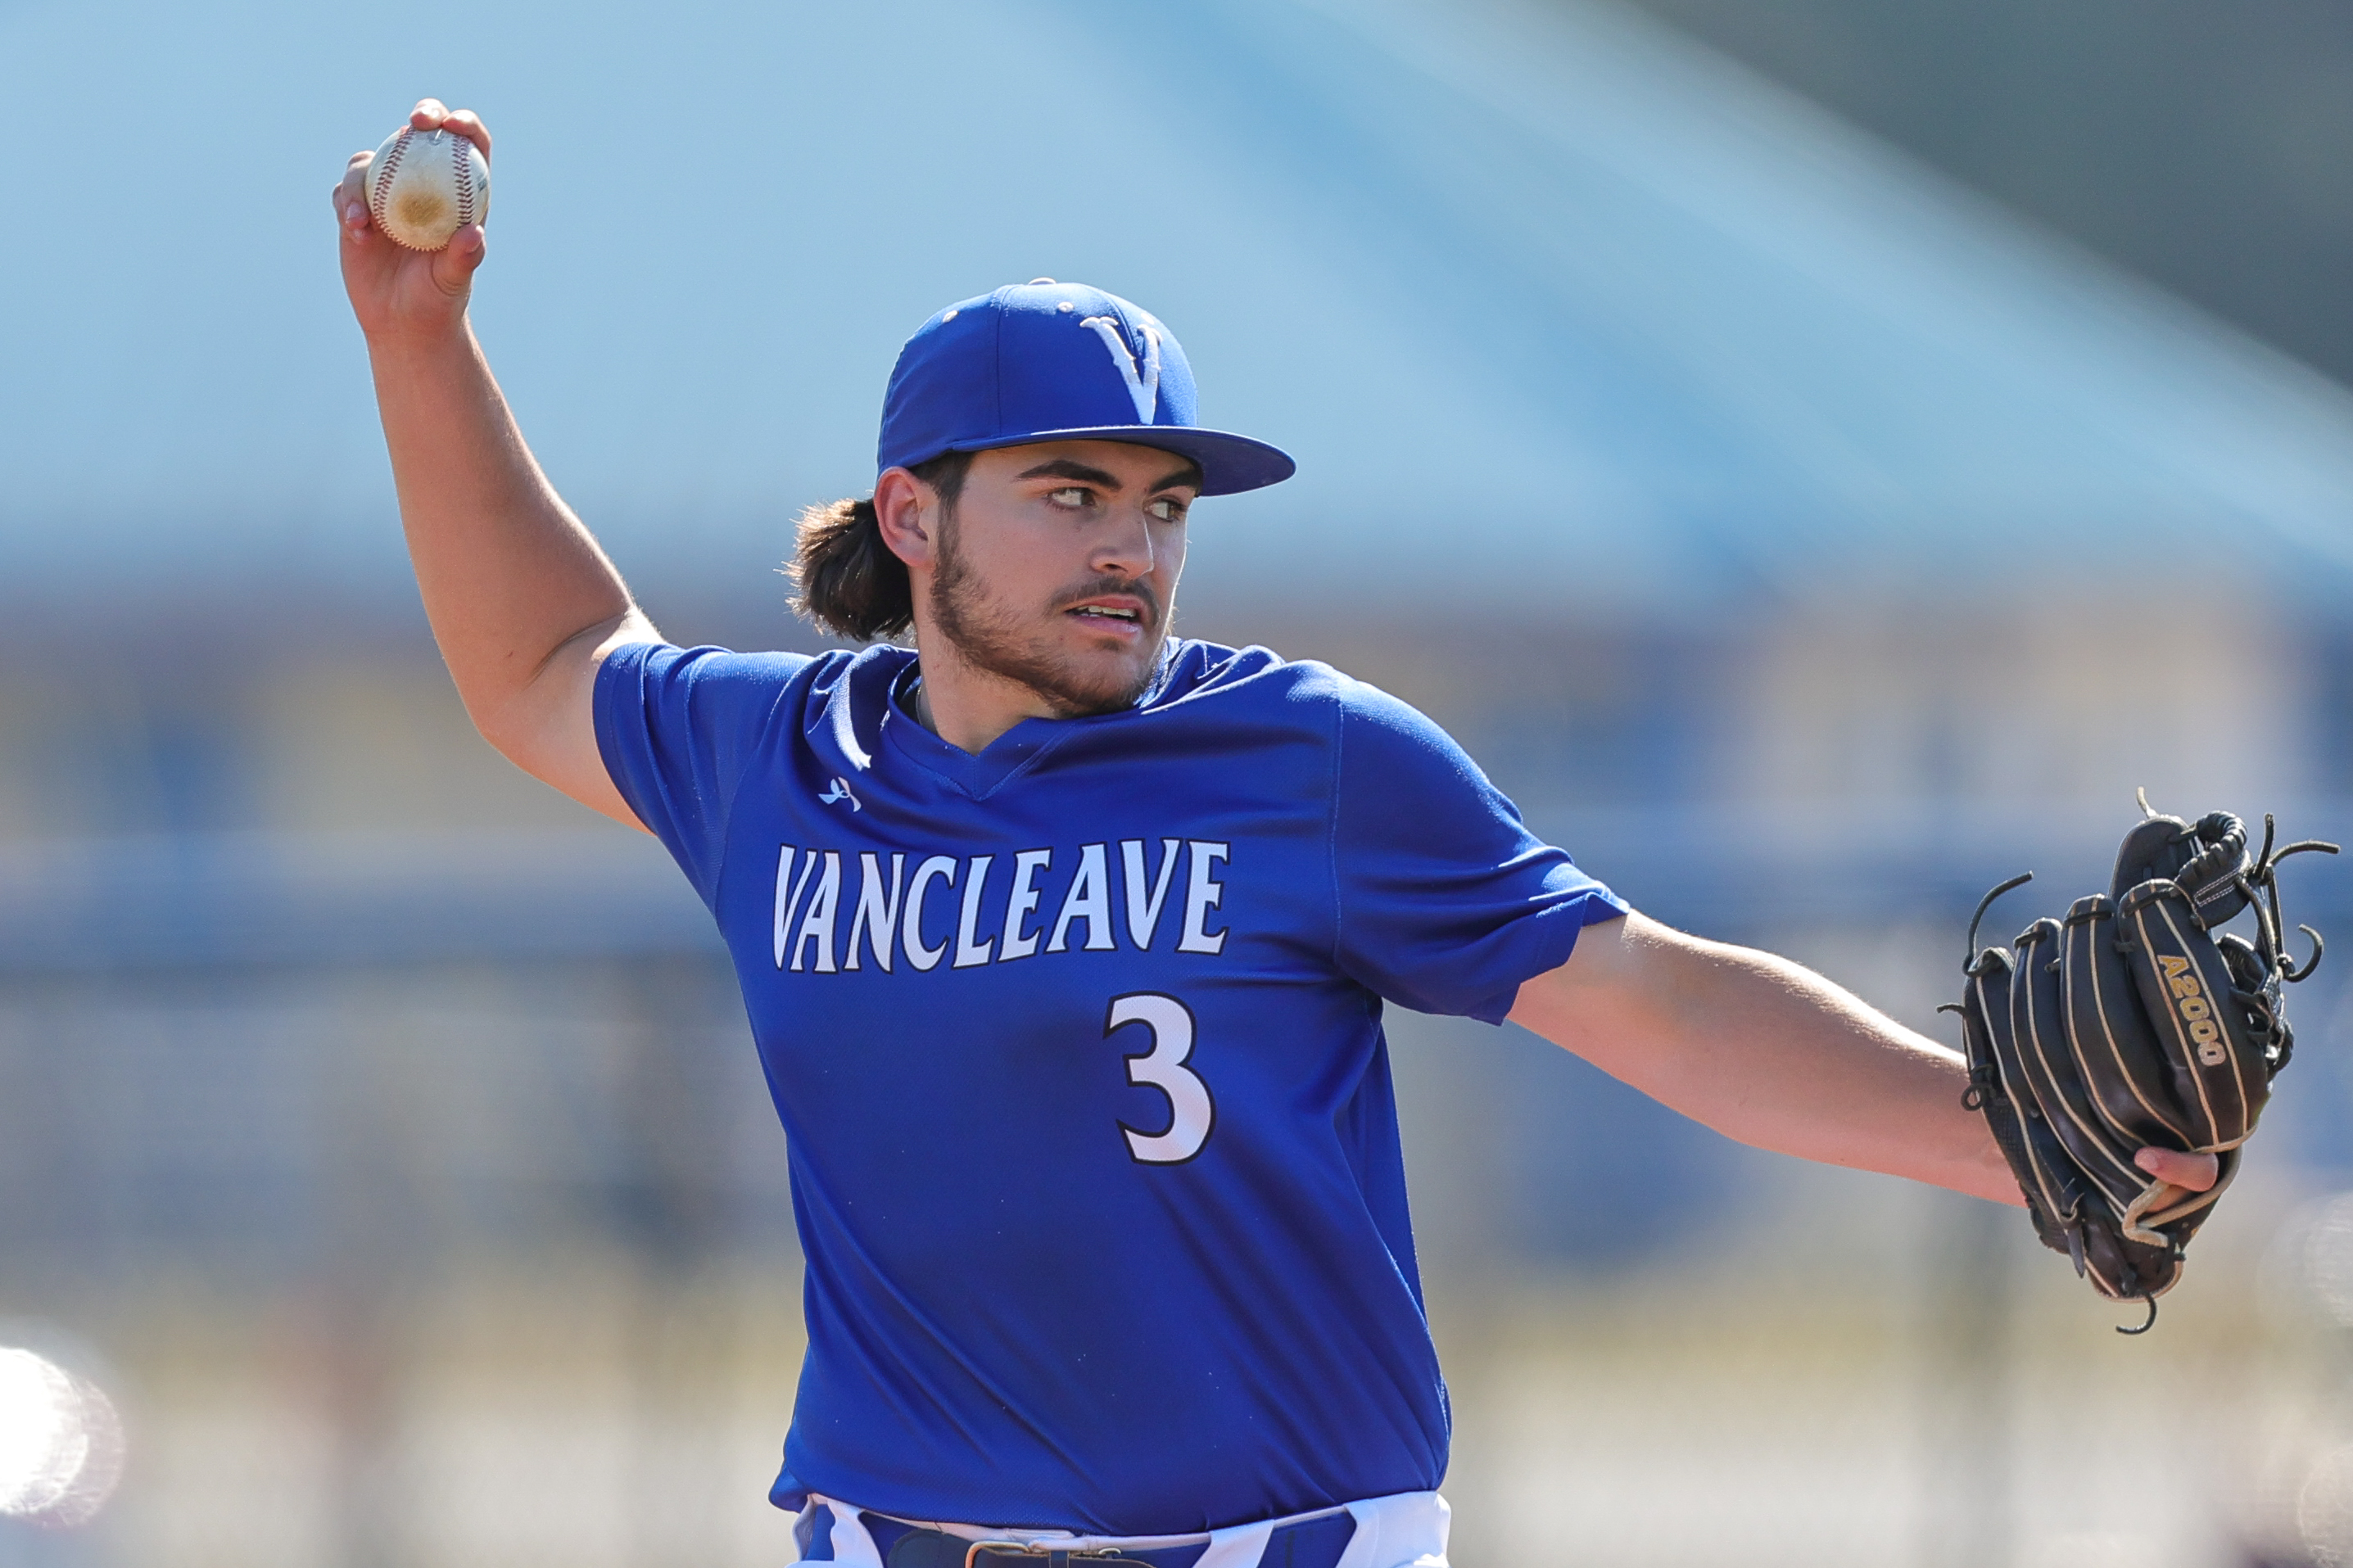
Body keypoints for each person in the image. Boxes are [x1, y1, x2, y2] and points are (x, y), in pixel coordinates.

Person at [334, 100, 2216, 1568]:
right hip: (889, 1531)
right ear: (913, 518)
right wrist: (419, 341)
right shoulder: (782, 760)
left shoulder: (1307, 761)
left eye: (1159, 501)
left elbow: (1657, 1004)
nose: (1128, 545)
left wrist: (2007, 1139)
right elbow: (547, 659)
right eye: (1067, 492)